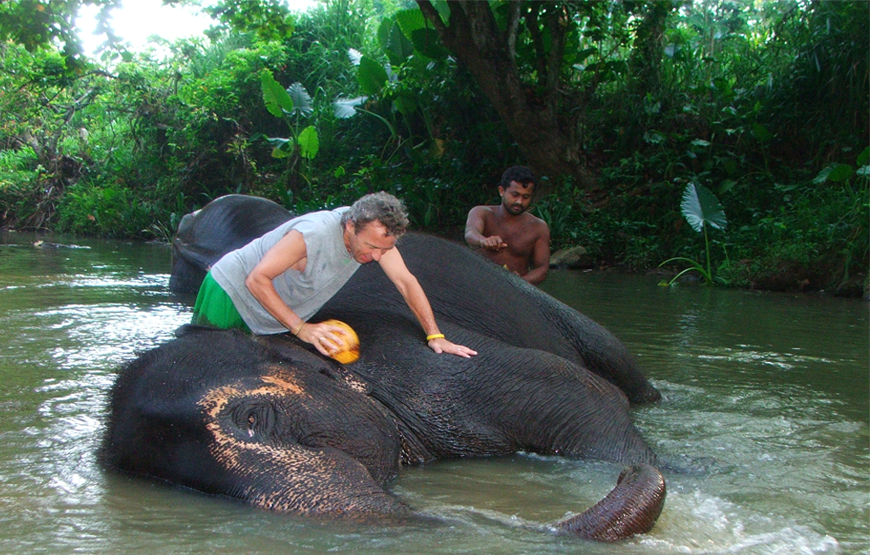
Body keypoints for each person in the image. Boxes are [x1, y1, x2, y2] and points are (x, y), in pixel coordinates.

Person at [192, 191, 477, 359]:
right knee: (204, 367)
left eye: (384, 249)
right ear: (350, 226)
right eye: (372, 247)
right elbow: (256, 279)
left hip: (271, 312)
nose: (377, 257)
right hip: (231, 292)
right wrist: (302, 328)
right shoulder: (313, 234)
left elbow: (406, 282)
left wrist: (435, 335)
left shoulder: (377, 240)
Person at [464, 166, 550, 285]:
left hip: (516, 291)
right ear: (502, 191)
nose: (519, 201)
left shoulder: (538, 227)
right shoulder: (482, 212)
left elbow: (542, 269)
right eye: (515, 195)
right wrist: (483, 241)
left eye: (525, 197)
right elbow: (470, 234)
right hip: (480, 285)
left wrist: (521, 282)